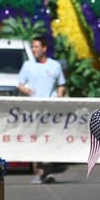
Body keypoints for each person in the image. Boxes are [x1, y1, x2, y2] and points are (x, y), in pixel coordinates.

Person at [16, 36, 67, 184]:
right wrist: (27, 90)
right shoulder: (28, 65)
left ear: (44, 48)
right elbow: (20, 84)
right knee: (35, 140)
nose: (34, 50)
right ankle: (39, 172)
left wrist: (59, 95)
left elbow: (61, 84)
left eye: (36, 47)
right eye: (32, 47)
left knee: (49, 140)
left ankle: (48, 172)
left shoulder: (55, 66)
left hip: (50, 111)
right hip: (33, 111)